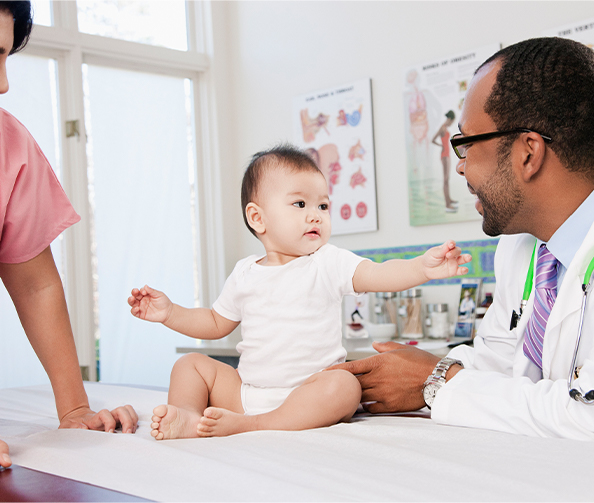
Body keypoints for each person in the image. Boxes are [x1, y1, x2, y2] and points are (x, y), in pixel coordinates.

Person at [332, 37, 594, 448]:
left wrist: (438, 382)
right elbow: (499, 369)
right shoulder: (524, 247)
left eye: (464, 144)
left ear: (528, 153)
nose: (460, 169)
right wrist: (411, 375)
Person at [127, 145, 471, 440]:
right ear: (258, 218)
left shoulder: (327, 262)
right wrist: (170, 313)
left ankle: (253, 426)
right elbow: (216, 322)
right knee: (190, 365)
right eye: (300, 204)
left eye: (322, 206)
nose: (316, 216)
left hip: (306, 395)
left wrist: (421, 268)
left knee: (345, 387)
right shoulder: (245, 272)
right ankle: (187, 416)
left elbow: (378, 273)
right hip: (245, 392)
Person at [0, 1, 137, 469]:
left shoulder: (10, 146)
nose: (2, 83)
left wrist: (74, 408)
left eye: (5, 58)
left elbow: (36, 286)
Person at [431, 110, 458, 212]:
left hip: (447, 154)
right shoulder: (442, 127)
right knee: (445, 179)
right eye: (452, 121)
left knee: (447, 178)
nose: (452, 124)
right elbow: (433, 139)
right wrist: (441, 146)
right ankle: (447, 204)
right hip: (444, 155)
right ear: (450, 119)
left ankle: (449, 199)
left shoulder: (445, 128)